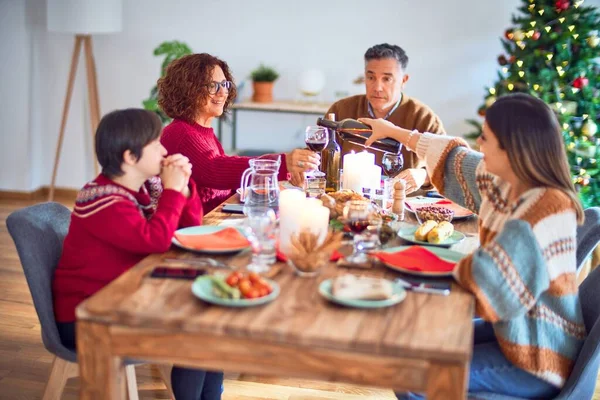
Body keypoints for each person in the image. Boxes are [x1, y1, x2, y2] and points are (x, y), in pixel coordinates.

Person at [360, 93, 586, 399]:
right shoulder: (507, 181)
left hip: (538, 358)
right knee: (412, 350)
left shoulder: (547, 207)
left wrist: (434, 265)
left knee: (414, 377)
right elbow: (452, 158)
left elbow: (490, 280)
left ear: (512, 149)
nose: (478, 144)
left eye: (484, 137)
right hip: (510, 335)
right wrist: (391, 130)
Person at [52, 109, 223, 400]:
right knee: (196, 337)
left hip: (124, 295)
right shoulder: (103, 200)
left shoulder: (141, 189)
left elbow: (189, 226)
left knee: (211, 328)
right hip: (89, 317)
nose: (165, 150)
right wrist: (171, 191)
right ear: (130, 157)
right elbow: (155, 240)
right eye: (156, 145)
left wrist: (182, 186)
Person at [158, 53, 319, 214]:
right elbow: (216, 170)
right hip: (193, 230)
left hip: (214, 219)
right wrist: (282, 164)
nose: (222, 93)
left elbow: (226, 179)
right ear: (189, 90)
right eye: (212, 86)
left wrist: (283, 174)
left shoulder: (202, 131)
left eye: (224, 84)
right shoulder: (180, 132)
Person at [322, 43, 445, 193]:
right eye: (371, 77)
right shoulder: (341, 110)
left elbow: (446, 166)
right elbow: (318, 158)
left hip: (404, 205)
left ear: (404, 80)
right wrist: (302, 161)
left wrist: (423, 175)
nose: (377, 87)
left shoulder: (424, 117)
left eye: (387, 79)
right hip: (348, 200)